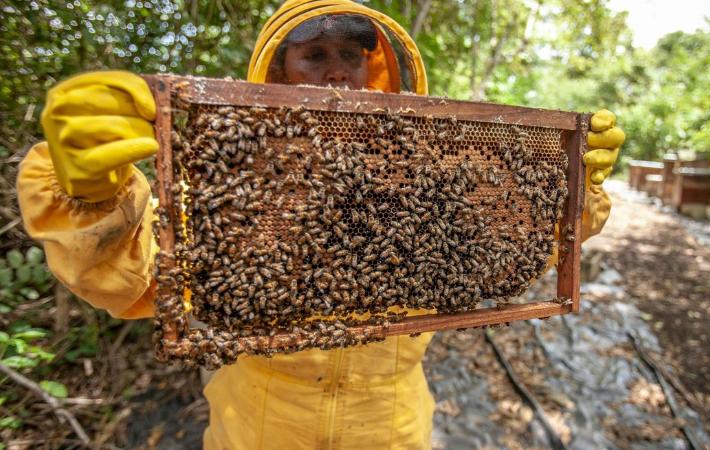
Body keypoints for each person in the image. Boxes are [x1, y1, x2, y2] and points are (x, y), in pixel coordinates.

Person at [17, 0, 624, 448]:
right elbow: (135, 278)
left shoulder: (433, 174)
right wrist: (93, 197)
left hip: (391, 430)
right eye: (314, 56)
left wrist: (574, 190)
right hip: (256, 429)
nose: (337, 75)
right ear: (277, 74)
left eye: (351, 57)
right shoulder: (237, 183)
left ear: (376, 70)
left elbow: (507, 251)